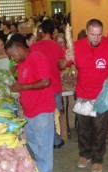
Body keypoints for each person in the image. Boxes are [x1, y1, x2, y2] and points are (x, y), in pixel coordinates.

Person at [59, 19, 108, 172]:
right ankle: (84, 155)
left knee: (99, 129)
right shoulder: (76, 47)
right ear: (86, 33)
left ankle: (97, 159)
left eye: (99, 34)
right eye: (93, 34)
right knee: (84, 128)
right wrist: (66, 59)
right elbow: (60, 65)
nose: (96, 38)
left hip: (101, 97)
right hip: (82, 95)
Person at [5, 34, 56, 172]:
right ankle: (40, 169)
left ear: (19, 49)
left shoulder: (37, 58)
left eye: (12, 55)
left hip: (42, 109)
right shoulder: (22, 61)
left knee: (44, 144)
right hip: (29, 110)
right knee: (33, 142)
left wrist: (21, 87)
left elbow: (45, 81)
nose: (12, 59)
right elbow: (26, 81)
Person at [30, 19, 65, 149]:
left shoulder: (34, 47)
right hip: (54, 85)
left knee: (43, 116)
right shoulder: (57, 46)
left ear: (41, 30)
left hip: (40, 87)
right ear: (53, 31)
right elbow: (61, 65)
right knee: (54, 115)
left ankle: (45, 142)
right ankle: (56, 141)